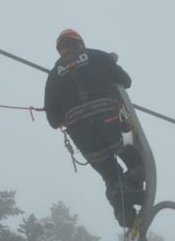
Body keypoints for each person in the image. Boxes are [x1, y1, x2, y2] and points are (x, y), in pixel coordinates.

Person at [44, 28, 145, 228]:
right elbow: (126, 81)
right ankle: (127, 187)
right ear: (80, 43)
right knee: (137, 160)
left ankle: (123, 211)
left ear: (60, 49)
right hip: (113, 122)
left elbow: (53, 120)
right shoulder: (98, 56)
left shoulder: (53, 75)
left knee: (109, 175)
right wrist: (109, 64)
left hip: (81, 134)